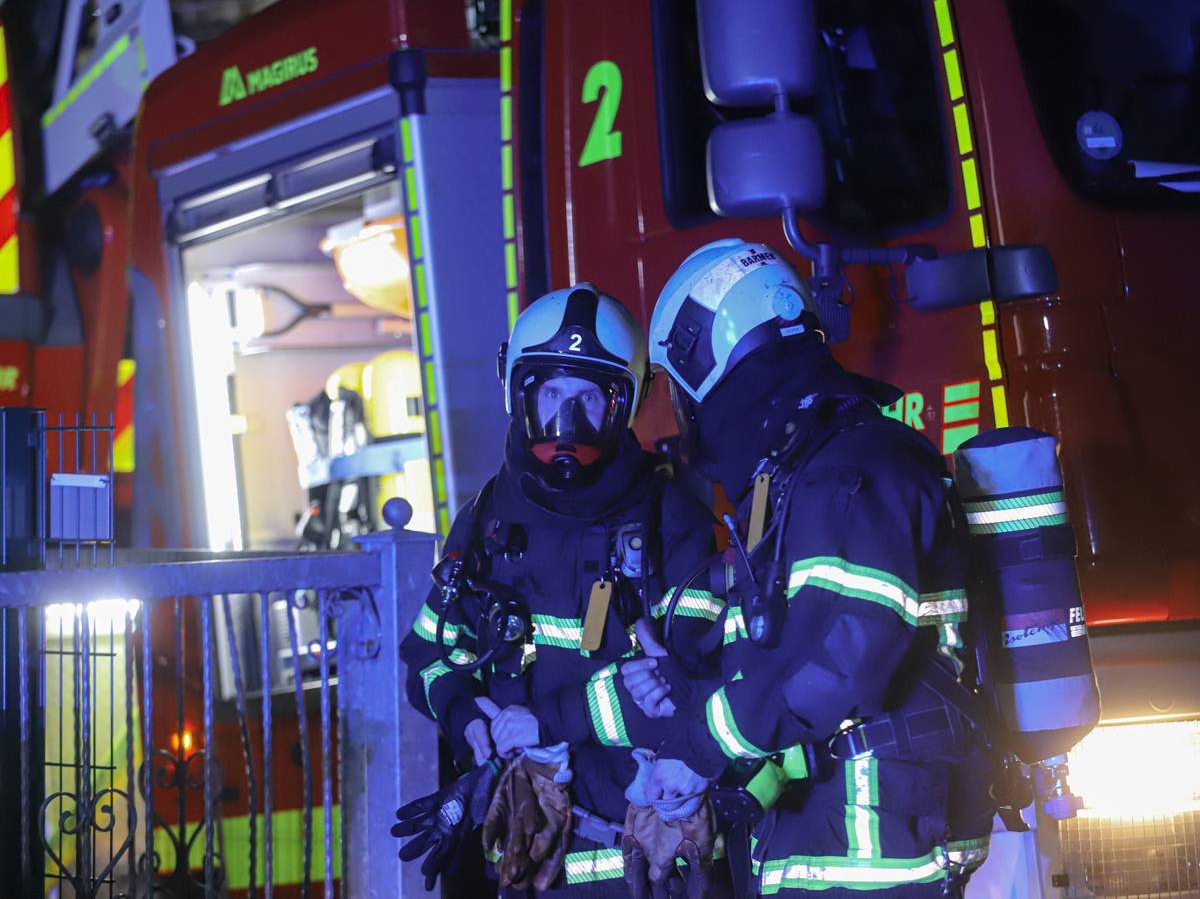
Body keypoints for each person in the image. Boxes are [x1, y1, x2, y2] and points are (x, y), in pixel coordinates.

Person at [630, 239, 995, 897]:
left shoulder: (849, 467)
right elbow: (784, 645)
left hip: (870, 839)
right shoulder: (798, 471)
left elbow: (843, 655)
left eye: (673, 387)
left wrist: (700, 748)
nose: (678, 413)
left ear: (703, 360)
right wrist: (686, 682)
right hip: (835, 826)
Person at [395, 284, 721, 897]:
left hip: (639, 863)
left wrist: (549, 722)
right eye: (552, 393)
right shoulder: (488, 518)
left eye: (589, 396)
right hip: (526, 860)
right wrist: (466, 716)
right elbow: (430, 654)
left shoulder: (670, 521)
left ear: (623, 403)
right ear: (519, 393)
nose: (567, 420)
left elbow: (698, 681)